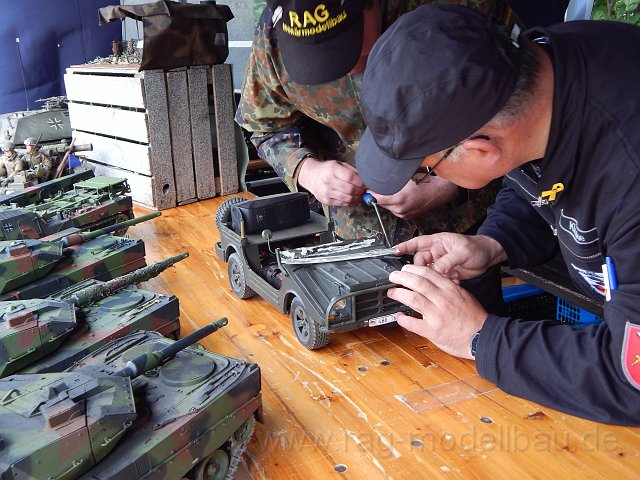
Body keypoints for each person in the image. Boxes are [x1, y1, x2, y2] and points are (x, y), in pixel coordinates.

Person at [354, 4, 640, 425]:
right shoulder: (542, 76)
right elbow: (537, 175)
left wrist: (479, 337)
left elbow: (631, 382)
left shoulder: (629, 173)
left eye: (425, 171)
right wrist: (493, 243)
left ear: (478, 148)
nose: (421, 179)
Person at [236, 0, 523, 313]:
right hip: (354, 244)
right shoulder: (280, 30)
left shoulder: (458, 10)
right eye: (321, 59)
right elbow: (263, 126)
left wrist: (451, 184)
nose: (346, 68)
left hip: (457, 247)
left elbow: (520, 124)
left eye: (350, 46)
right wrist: (306, 170)